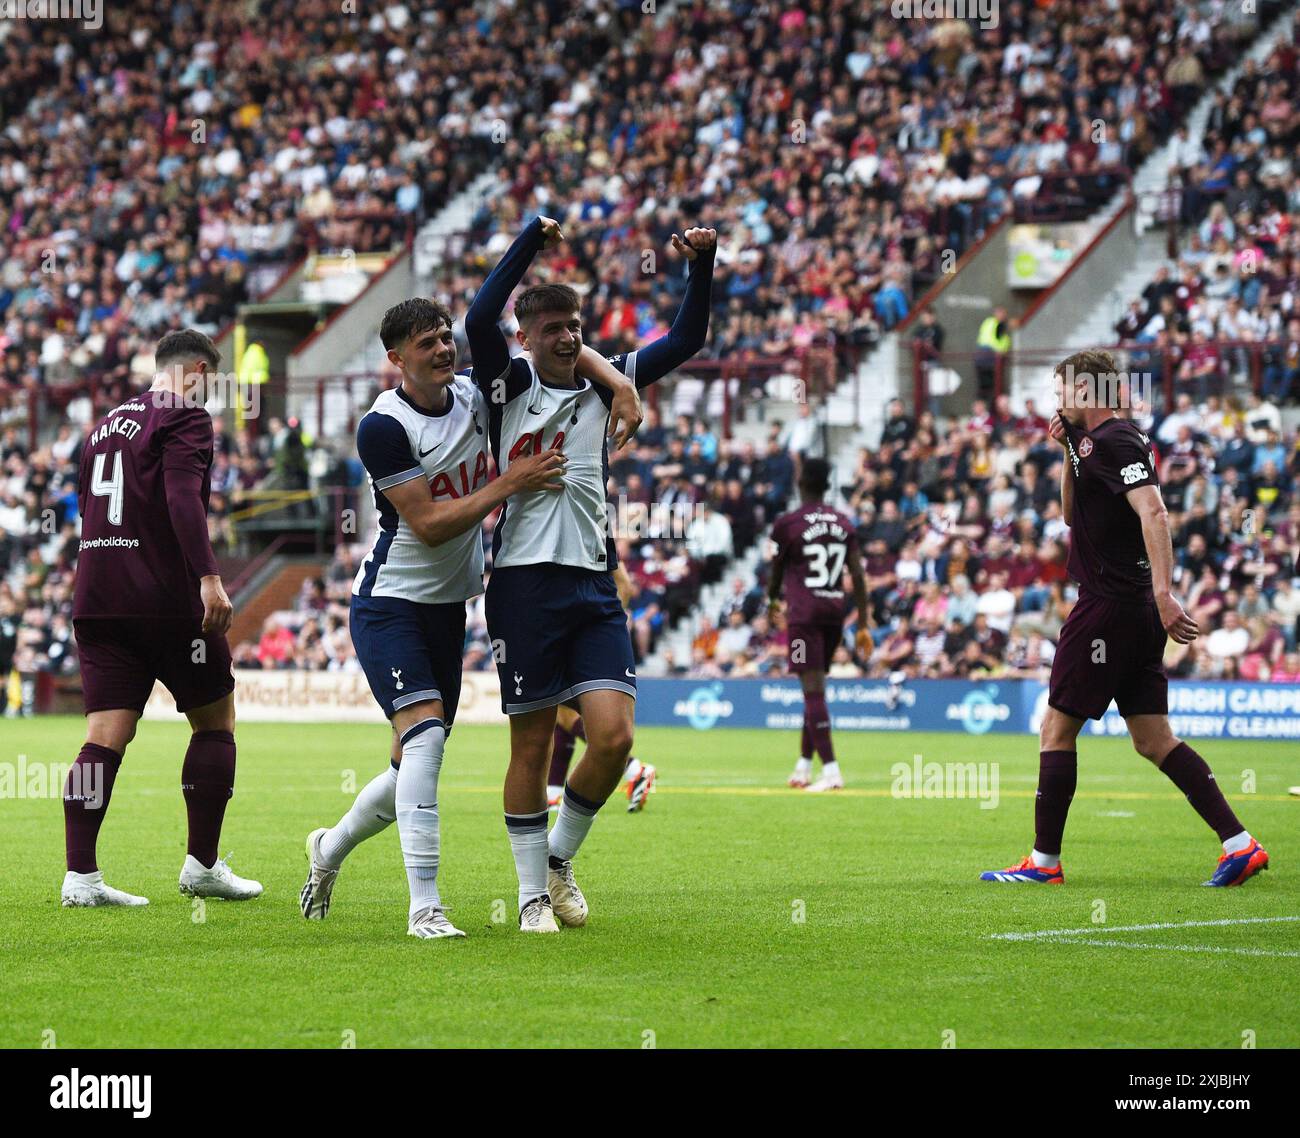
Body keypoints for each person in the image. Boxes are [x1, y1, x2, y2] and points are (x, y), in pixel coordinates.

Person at [298, 297, 638, 937]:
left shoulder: (478, 399)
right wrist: (511, 481)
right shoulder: (383, 426)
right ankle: (424, 906)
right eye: (427, 343)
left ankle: (329, 850)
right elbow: (427, 526)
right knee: (425, 743)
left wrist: (618, 380)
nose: (445, 349)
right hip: (390, 602)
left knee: (410, 763)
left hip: (448, 609)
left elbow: (552, 353)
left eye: (444, 338)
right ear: (396, 358)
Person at [464, 215, 714, 932]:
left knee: (612, 738)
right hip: (521, 582)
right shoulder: (505, 386)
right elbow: (482, 313)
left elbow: (687, 340)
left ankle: (558, 861)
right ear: (527, 336)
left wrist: (703, 266)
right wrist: (528, 243)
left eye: (576, 326)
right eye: (553, 329)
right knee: (532, 742)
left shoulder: (606, 386)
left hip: (593, 584)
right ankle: (529, 895)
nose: (569, 337)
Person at [982, 349, 1268, 887]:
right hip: (1130, 610)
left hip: (1111, 606)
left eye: (1062, 389)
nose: (1056, 398)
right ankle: (1240, 844)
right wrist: (1067, 448)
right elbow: (1071, 516)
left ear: (1086, 392)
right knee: (1153, 739)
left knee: (1056, 728)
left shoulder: (1116, 440)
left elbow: (1154, 511)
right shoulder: (1088, 444)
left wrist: (1166, 593)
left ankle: (1044, 864)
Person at [62, 328, 263, 907]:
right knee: (215, 720)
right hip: (167, 601)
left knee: (104, 736)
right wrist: (208, 579)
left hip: (99, 596)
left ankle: (81, 877)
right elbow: (181, 499)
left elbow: (87, 510)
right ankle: (202, 865)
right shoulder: (186, 415)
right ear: (198, 370)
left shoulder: (103, 428)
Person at [767, 457, 871, 791]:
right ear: (827, 485)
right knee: (814, 689)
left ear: (800, 484)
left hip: (803, 617)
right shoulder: (844, 522)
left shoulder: (787, 524)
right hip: (834, 613)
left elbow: (775, 572)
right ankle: (803, 765)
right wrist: (865, 623)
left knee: (812, 690)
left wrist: (771, 601)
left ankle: (831, 771)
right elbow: (858, 574)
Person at [546, 565, 658, 813]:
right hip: (568, 628)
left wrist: (600, 625)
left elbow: (624, 584)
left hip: (580, 635)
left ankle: (633, 768)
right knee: (559, 712)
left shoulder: (592, 533)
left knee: (561, 708)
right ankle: (552, 792)